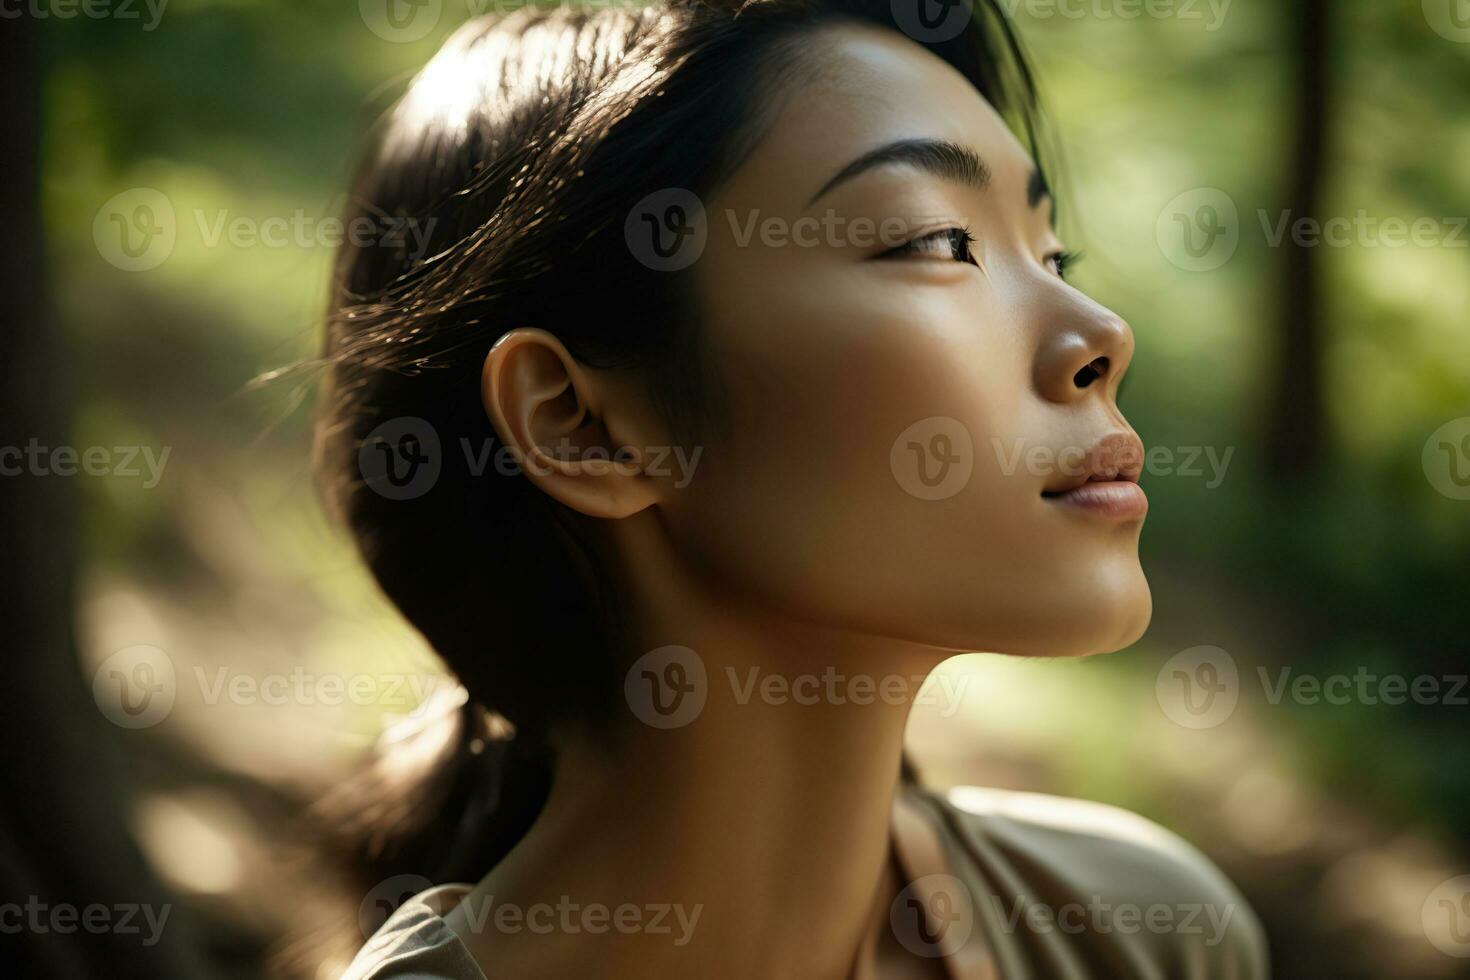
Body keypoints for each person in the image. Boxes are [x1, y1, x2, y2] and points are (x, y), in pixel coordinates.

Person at [316, 0, 1269, 976]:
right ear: (581, 423)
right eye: (939, 241)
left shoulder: (1144, 934)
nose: (1104, 332)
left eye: (1052, 253)